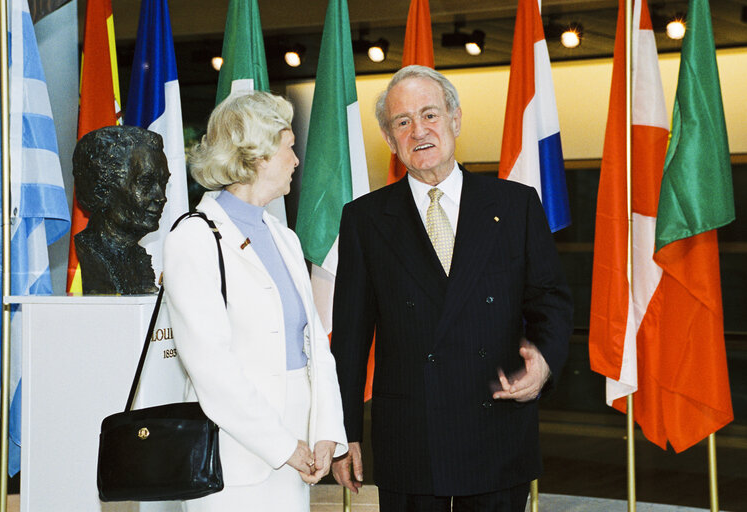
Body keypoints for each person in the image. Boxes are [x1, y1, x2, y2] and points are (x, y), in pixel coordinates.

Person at [330, 65, 573, 511]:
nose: (418, 130)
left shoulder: (515, 206)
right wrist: (346, 433)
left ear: (455, 119)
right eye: (402, 122)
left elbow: (551, 302)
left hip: (497, 425)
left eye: (430, 115)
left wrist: (543, 365)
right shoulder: (364, 219)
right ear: (389, 138)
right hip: (411, 436)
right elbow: (349, 338)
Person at [163, 91, 348, 512]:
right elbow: (211, 367)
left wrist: (325, 432)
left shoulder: (284, 236)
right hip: (234, 460)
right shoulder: (194, 237)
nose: (296, 160)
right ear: (257, 155)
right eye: (289, 148)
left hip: (298, 455)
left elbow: (316, 346)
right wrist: (282, 445)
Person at [73, 125, 170, 294]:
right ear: (103, 190)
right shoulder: (91, 254)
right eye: (145, 183)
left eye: (163, 183)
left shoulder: (138, 259)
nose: (161, 197)